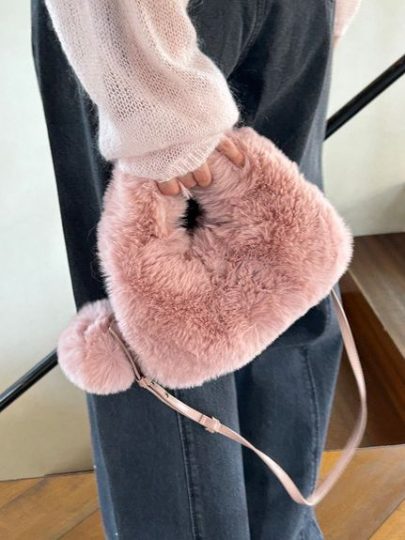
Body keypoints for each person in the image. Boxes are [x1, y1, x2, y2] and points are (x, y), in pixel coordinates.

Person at [31, 1, 361, 538]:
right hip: (289, 15)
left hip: (146, 21)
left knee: (159, 340)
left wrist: (156, 109)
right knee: (281, 285)